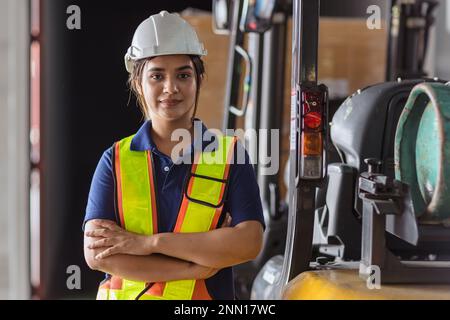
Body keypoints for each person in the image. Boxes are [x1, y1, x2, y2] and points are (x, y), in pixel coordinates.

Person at [83, 10, 265, 300]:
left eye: (183, 74)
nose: (171, 88)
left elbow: (248, 242)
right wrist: (192, 268)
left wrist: (147, 244)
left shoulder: (229, 156)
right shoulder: (115, 160)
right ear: (138, 83)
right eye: (157, 75)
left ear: (198, 80)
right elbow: (99, 255)